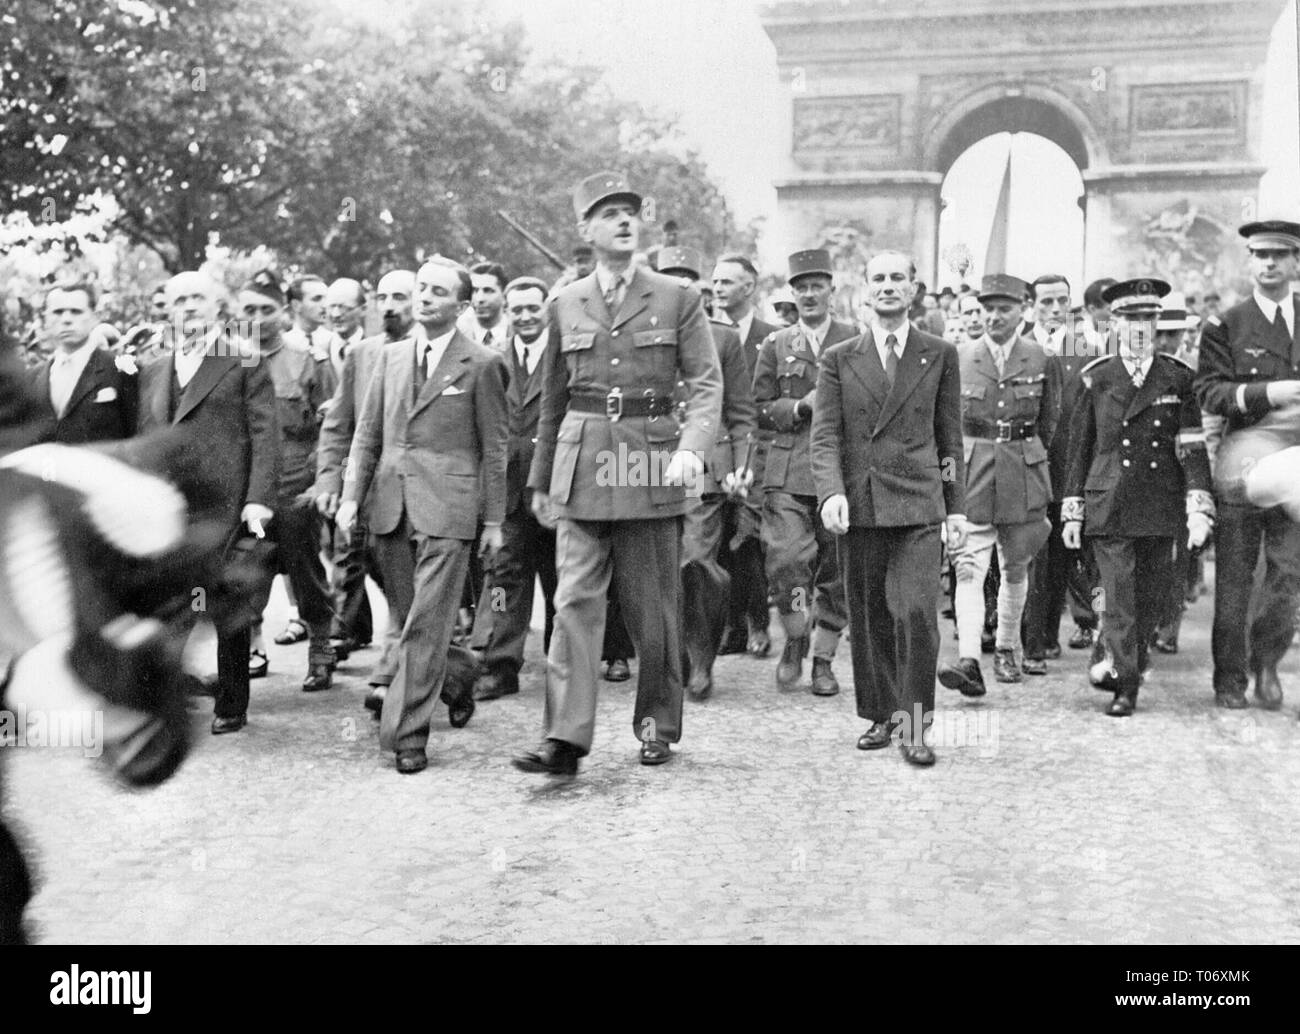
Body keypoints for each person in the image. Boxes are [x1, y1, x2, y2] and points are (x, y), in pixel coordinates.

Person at [513, 171, 722, 776]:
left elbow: (706, 384)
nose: (624, 221)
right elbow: (552, 403)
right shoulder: (565, 302)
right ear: (586, 229)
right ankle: (565, 739)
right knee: (575, 602)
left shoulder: (678, 299)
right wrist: (541, 482)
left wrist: (693, 446)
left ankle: (656, 724)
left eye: (630, 211)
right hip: (581, 466)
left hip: (650, 459)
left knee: (653, 608)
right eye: (609, 213)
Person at [338, 258, 506, 772]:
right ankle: (460, 672)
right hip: (390, 505)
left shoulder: (481, 363)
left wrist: (495, 521)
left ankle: (407, 734)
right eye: (421, 289)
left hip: (450, 509)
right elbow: (367, 435)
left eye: (439, 292)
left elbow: (494, 447)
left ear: (460, 305)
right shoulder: (387, 359)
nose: (425, 298)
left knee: (428, 624)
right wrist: (350, 496)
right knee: (415, 622)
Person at [811, 250, 966, 767]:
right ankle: (882, 714)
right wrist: (831, 491)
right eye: (878, 279)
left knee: (918, 612)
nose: (887, 286)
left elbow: (949, 438)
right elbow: (826, 435)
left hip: (920, 504)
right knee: (870, 612)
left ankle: (916, 725)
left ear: (914, 288)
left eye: (898, 278)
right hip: (862, 503)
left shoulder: (939, 353)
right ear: (865, 289)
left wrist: (957, 508)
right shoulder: (839, 358)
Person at [136, 271, 279, 735]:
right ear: (168, 311)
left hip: (227, 504)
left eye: (198, 298)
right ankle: (167, 699)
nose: (188, 307)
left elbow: (264, 435)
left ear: (219, 307)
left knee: (228, 603)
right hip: (172, 509)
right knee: (172, 605)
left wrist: (258, 500)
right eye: (178, 301)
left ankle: (232, 703)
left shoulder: (243, 360)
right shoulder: (156, 368)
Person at [1063, 278, 1214, 716]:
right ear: (1114, 323)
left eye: (1148, 318)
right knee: (1119, 593)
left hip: (1159, 499)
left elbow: (1192, 447)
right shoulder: (1095, 378)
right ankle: (1126, 684)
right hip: (1109, 498)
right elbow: (1080, 449)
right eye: (1131, 319)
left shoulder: (1178, 377)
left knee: (1155, 597)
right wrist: (1073, 511)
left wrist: (1198, 505)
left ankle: (1125, 657)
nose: (1140, 327)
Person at [1195, 219, 1300, 711]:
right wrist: (1267, 393)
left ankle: (1267, 662)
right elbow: (1210, 392)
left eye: (1280, 255)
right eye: (1261, 256)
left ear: (1296, 263)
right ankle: (1230, 679)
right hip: (1244, 463)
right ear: (1250, 262)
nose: (1270, 264)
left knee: (1286, 577)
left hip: (1296, 469)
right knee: (1235, 580)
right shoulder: (1226, 325)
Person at [937, 274, 1056, 695]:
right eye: (987, 308)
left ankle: (1007, 645)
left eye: (1004, 308)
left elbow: (1051, 424)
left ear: (1023, 310)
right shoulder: (958, 356)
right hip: (974, 470)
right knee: (968, 565)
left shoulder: (1041, 358)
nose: (994, 316)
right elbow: (946, 424)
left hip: (1023, 470)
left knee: (1015, 565)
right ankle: (969, 657)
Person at [752, 249, 855, 695]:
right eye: (801, 287)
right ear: (792, 293)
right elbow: (757, 407)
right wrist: (797, 406)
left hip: (840, 471)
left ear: (832, 290)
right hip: (789, 467)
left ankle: (825, 659)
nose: (809, 294)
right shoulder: (776, 345)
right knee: (788, 560)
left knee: (837, 570)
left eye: (817, 286)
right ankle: (795, 637)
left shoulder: (857, 339)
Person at [656, 246, 756, 700]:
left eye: (686, 281)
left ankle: (700, 658)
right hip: (645, 465)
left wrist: (741, 465)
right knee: (656, 567)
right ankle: (666, 655)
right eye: (668, 279)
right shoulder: (638, 331)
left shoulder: (722, 338)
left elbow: (740, 413)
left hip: (704, 470)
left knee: (696, 563)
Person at [314, 270, 415, 712]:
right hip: (376, 495)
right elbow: (342, 427)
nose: (389, 305)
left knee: (417, 596)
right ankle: (439, 673)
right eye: (383, 297)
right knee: (396, 590)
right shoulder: (363, 354)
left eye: (401, 297)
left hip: (436, 497)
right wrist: (333, 482)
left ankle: (393, 675)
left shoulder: (450, 354)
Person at [236, 271, 337, 693]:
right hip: (251, 491)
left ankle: (321, 647)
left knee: (304, 567)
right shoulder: (229, 363)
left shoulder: (308, 360)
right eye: (249, 310)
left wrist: (321, 484)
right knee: (248, 567)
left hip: (295, 485)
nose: (258, 318)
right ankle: (253, 647)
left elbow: (332, 424)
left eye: (267, 309)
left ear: (284, 311)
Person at [471, 276, 560, 702]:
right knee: (503, 576)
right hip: (506, 491)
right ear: (508, 312)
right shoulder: (493, 360)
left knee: (565, 577)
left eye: (533, 308)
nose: (525, 317)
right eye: (517, 309)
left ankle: (569, 661)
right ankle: (500, 664)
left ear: (547, 310)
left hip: (557, 487)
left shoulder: (564, 358)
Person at [711, 254, 779, 656]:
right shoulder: (701, 333)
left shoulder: (772, 337)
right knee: (716, 542)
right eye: (715, 282)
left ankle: (758, 622)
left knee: (748, 541)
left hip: (754, 450)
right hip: (711, 450)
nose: (718, 288)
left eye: (727, 282)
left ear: (749, 287)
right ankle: (729, 626)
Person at [29, 281, 138, 445]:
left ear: (95, 317)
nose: (66, 319)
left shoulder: (119, 370)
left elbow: (136, 435)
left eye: (76, 312)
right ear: (46, 319)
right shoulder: (33, 378)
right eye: (58, 312)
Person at [459, 261, 510, 349]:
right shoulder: (458, 334)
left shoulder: (517, 333)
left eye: (488, 290)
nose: (480, 299)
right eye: (474, 291)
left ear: (504, 296)